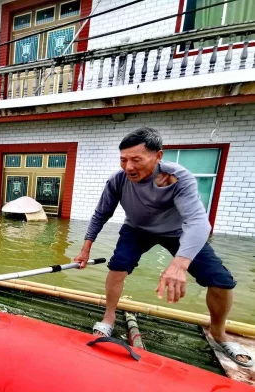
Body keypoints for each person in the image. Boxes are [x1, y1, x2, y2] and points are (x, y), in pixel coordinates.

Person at [74, 127, 253, 368]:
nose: (128, 167)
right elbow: (100, 215)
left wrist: (180, 263)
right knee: (117, 268)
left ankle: (219, 334)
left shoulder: (178, 178)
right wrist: (85, 249)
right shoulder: (118, 180)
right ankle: (108, 317)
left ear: (158, 156)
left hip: (178, 232)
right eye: (123, 160)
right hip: (136, 230)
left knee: (221, 281)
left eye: (136, 159)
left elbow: (199, 223)